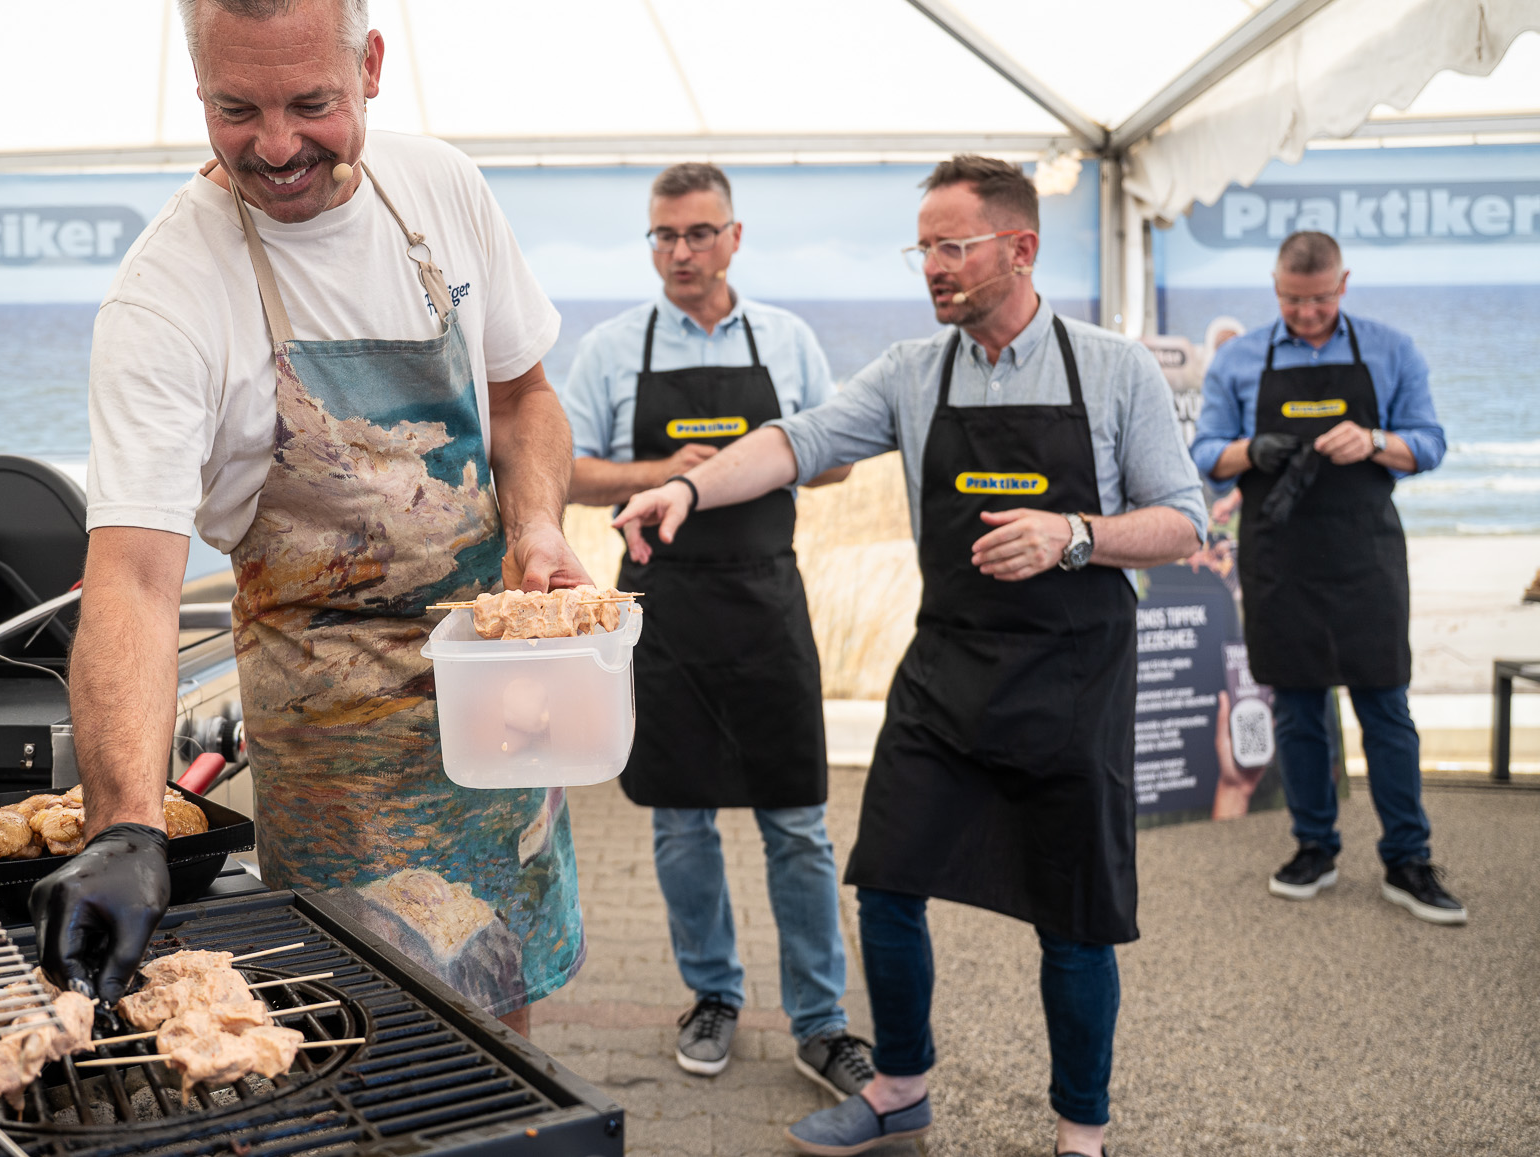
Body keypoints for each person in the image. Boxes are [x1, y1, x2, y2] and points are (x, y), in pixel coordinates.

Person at [30, 0, 593, 1032]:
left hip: (498, 705)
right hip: (338, 751)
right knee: (380, 1038)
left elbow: (525, 397)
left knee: (508, 1014)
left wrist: (537, 525)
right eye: (236, 109)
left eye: (311, 104)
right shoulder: (165, 296)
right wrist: (127, 825)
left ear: (370, 66)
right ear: (198, 87)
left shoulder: (439, 189)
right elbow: (132, 577)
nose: (278, 146)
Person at [615, 155, 1206, 1157]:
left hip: (1073, 677)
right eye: (922, 247)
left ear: (1019, 248)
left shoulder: (1113, 369)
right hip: (947, 672)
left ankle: (1080, 1131)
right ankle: (898, 1089)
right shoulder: (911, 371)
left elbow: (1183, 522)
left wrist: (1074, 534)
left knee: (1075, 920)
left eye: (952, 246)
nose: (932, 265)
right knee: (886, 882)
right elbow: (797, 441)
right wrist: (687, 489)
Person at [560, 162, 870, 1097]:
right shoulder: (614, 347)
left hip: (767, 599)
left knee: (797, 821)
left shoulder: (788, 339)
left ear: (735, 236)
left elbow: (835, 461)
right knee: (681, 818)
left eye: (699, 233)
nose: (681, 251)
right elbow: (569, 471)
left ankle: (822, 1020)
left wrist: (746, 463)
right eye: (665, 235)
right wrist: (657, 471)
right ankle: (713, 995)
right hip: (664, 608)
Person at [1191, 230, 1463, 924]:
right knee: (1298, 707)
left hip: (1364, 555)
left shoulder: (1391, 349)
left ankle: (1408, 858)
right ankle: (1314, 845)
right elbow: (1204, 453)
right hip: (1279, 558)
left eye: (1319, 299)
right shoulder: (1240, 359)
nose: (1306, 313)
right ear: (1275, 287)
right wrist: (1251, 450)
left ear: (1343, 285)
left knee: (1386, 707)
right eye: (1292, 300)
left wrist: (1374, 441)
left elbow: (1430, 442)